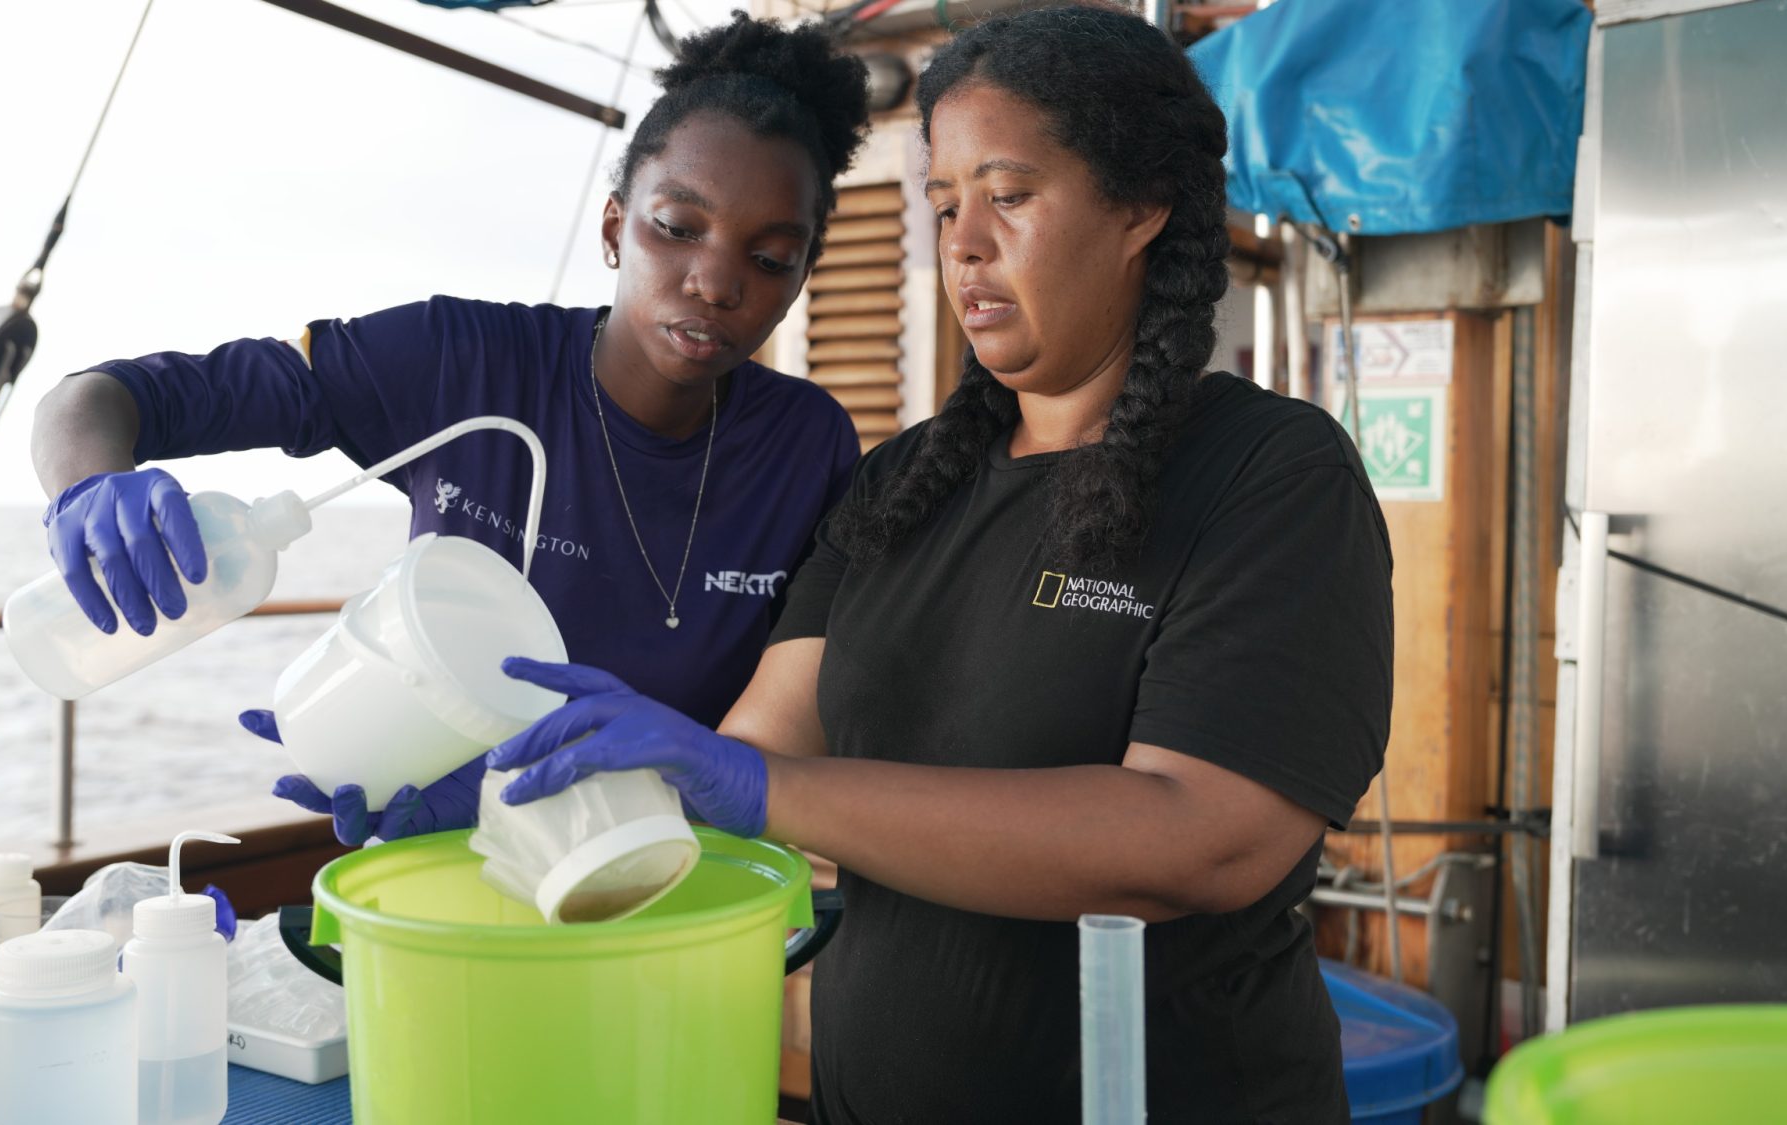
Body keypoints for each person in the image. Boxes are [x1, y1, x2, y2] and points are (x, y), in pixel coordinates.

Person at [481, 6, 1395, 1123]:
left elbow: (1196, 839)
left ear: (1138, 209)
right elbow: (757, 746)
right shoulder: (902, 482)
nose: (960, 244)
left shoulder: (1269, 475)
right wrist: (484, 786)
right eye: (944, 204)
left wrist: (772, 793)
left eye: (1007, 197)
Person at [27, 15, 872, 844]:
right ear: (616, 226)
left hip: (671, 875)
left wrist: (542, 800)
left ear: (802, 274)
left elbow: (779, 745)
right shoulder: (459, 361)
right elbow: (103, 397)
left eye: (768, 258)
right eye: (678, 228)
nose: (717, 282)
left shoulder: (809, 447)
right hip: (445, 861)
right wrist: (90, 485)